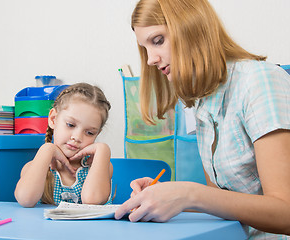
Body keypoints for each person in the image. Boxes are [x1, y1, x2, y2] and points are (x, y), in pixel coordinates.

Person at [114, 0, 290, 239]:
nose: (150, 60)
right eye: (145, 48)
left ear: (192, 27)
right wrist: (168, 196)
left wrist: (188, 193)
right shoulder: (201, 102)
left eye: (158, 41)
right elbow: (221, 199)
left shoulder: (260, 81)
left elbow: (285, 213)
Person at [15, 83, 113, 207]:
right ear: (53, 119)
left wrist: (103, 150)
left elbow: (92, 201)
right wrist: (47, 149)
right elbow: (25, 200)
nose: (77, 137)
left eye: (89, 132)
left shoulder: (99, 166)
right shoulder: (37, 166)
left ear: (97, 134)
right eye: (70, 125)